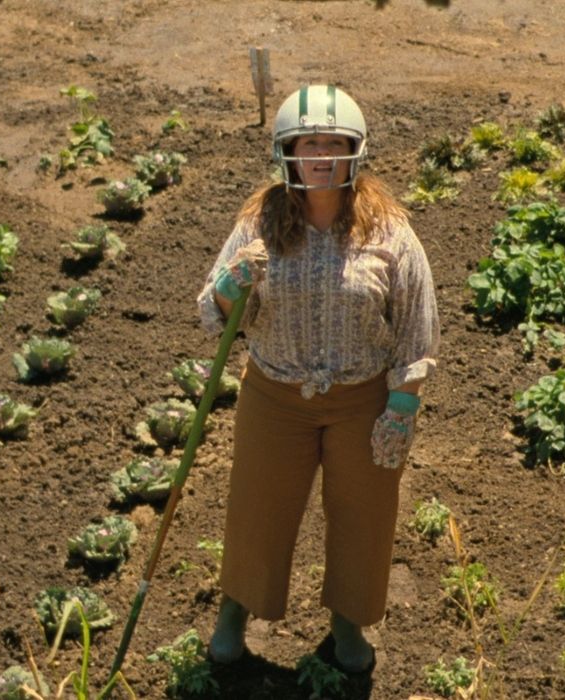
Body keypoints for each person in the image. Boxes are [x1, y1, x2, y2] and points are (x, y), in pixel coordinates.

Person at [195, 84, 439, 673]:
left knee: (364, 514)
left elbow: (416, 318)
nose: (323, 155)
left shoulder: (389, 234)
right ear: (288, 153)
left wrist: (402, 404)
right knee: (258, 507)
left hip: (362, 398)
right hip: (275, 394)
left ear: (355, 151)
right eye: (310, 143)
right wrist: (231, 287)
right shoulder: (258, 223)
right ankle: (233, 617)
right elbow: (215, 309)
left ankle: (347, 627)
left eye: (335, 143)